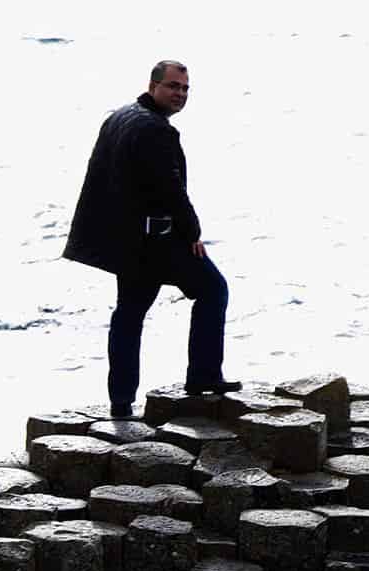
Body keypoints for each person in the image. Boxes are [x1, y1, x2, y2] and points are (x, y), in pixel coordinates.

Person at [64, 60, 238, 416]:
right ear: (153, 85)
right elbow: (170, 189)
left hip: (129, 243)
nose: (180, 94)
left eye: (186, 88)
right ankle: (203, 376)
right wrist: (193, 233)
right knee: (213, 289)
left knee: (128, 315)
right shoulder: (156, 130)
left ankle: (121, 402)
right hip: (155, 242)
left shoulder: (120, 116)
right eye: (173, 87)